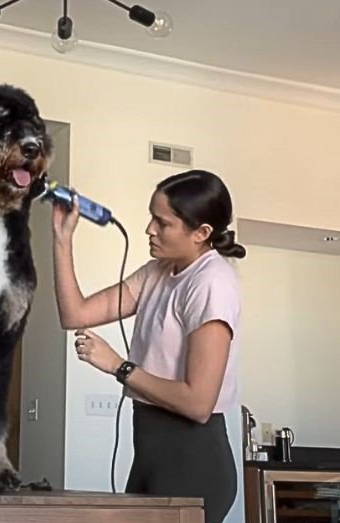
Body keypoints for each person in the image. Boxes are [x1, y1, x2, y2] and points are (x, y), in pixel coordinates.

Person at [51, 170, 246, 523]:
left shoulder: (212, 284)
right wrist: (63, 240)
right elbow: (75, 314)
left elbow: (199, 403)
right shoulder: (157, 272)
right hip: (150, 453)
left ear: (201, 233)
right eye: (151, 217)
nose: (149, 230)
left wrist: (119, 367)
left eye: (162, 222)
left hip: (193, 459)